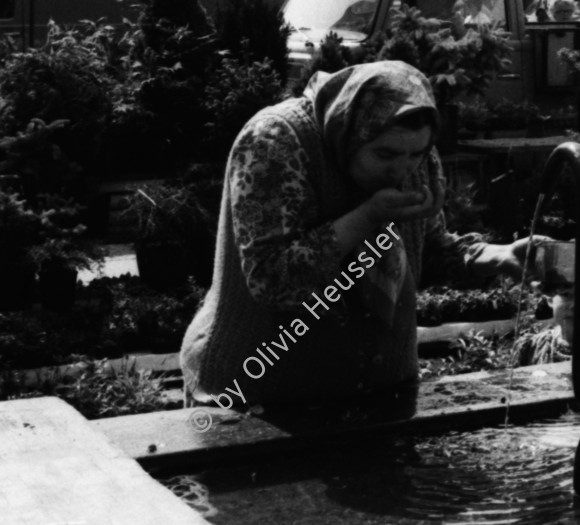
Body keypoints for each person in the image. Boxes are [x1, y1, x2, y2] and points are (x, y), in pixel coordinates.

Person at [180, 62, 535, 409]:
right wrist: (367, 217)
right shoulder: (275, 141)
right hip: (261, 397)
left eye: (416, 155)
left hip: (381, 391)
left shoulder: (413, 148)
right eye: (385, 154)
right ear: (352, 132)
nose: (402, 168)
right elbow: (272, 281)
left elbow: (427, 248)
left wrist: (498, 257)